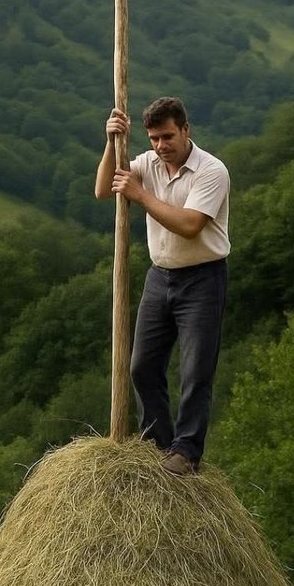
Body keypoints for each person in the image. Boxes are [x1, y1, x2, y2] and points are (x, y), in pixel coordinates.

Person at [94, 96, 230, 476]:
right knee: (142, 366)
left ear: (186, 130)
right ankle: (157, 443)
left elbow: (190, 225)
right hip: (160, 275)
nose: (160, 146)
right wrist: (111, 142)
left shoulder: (211, 171)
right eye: (154, 138)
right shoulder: (147, 163)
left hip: (203, 278)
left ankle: (186, 452)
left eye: (167, 136)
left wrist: (141, 196)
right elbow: (103, 189)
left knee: (195, 369)